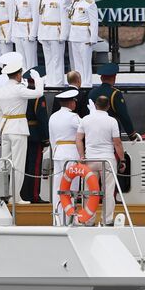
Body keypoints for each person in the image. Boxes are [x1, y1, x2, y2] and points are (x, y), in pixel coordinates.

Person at [0, 55, 45, 204]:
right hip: (18, 129)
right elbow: (39, 93)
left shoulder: (0, 91)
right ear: (17, 74)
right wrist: (38, 79)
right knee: (18, 164)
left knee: (3, 163)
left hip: (4, 128)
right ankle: (15, 196)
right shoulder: (19, 89)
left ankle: (0, 194)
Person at [78, 96, 125, 214]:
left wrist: (82, 156)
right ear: (108, 107)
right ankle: (107, 220)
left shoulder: (85, 119)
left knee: (89, 191)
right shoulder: (112, 121)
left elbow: (78, 139)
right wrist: (122, 160)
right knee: (108, 191)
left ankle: (88, 219)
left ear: (95, 105)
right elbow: (117, 143)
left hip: (90, 159)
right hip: (107, 160)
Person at [47, 88, 84, 225]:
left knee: (58, 187)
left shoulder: (53, 117)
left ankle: (57, 219)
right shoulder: (73, 117)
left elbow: (52, 138)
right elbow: (84, 129)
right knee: (72, 188)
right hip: (71, 153)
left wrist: (55, 151)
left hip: (58, 153)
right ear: (71, 103)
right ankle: (70, 218)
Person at [87, 64, 137, 138]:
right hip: (111, 130)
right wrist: (131, 134)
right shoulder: (115, 93)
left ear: (101, 78)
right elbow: (123, 116)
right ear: (114, 78)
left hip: (93, 130)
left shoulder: (92, 92)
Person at [38, 0, 70, 86]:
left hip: (56, 31)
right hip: (45, 31)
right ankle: (50, 80)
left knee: (57, 59)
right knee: (48, 59)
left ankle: (58, 82)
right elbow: (41, 17)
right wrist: (40, 34)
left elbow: (65, 18)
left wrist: (63, 35)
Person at [68, 0, 97, 84]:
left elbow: (94, 22)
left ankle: (87, 83)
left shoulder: (90, 4)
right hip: (74, 35)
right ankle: (79, 82)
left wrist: (93, 38)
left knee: (85, 62)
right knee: (77, 63)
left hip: (85, 36)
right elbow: (65, 8)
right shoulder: (75, 2)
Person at [11, 0, 39, 73]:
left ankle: (33, 79)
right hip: (18, 30)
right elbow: (14, 17)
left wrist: (33, 34)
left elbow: (36, 17)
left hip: (28, 30)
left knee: (30, 59)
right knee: (20, 59)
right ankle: (22, 77)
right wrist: (13, 34)